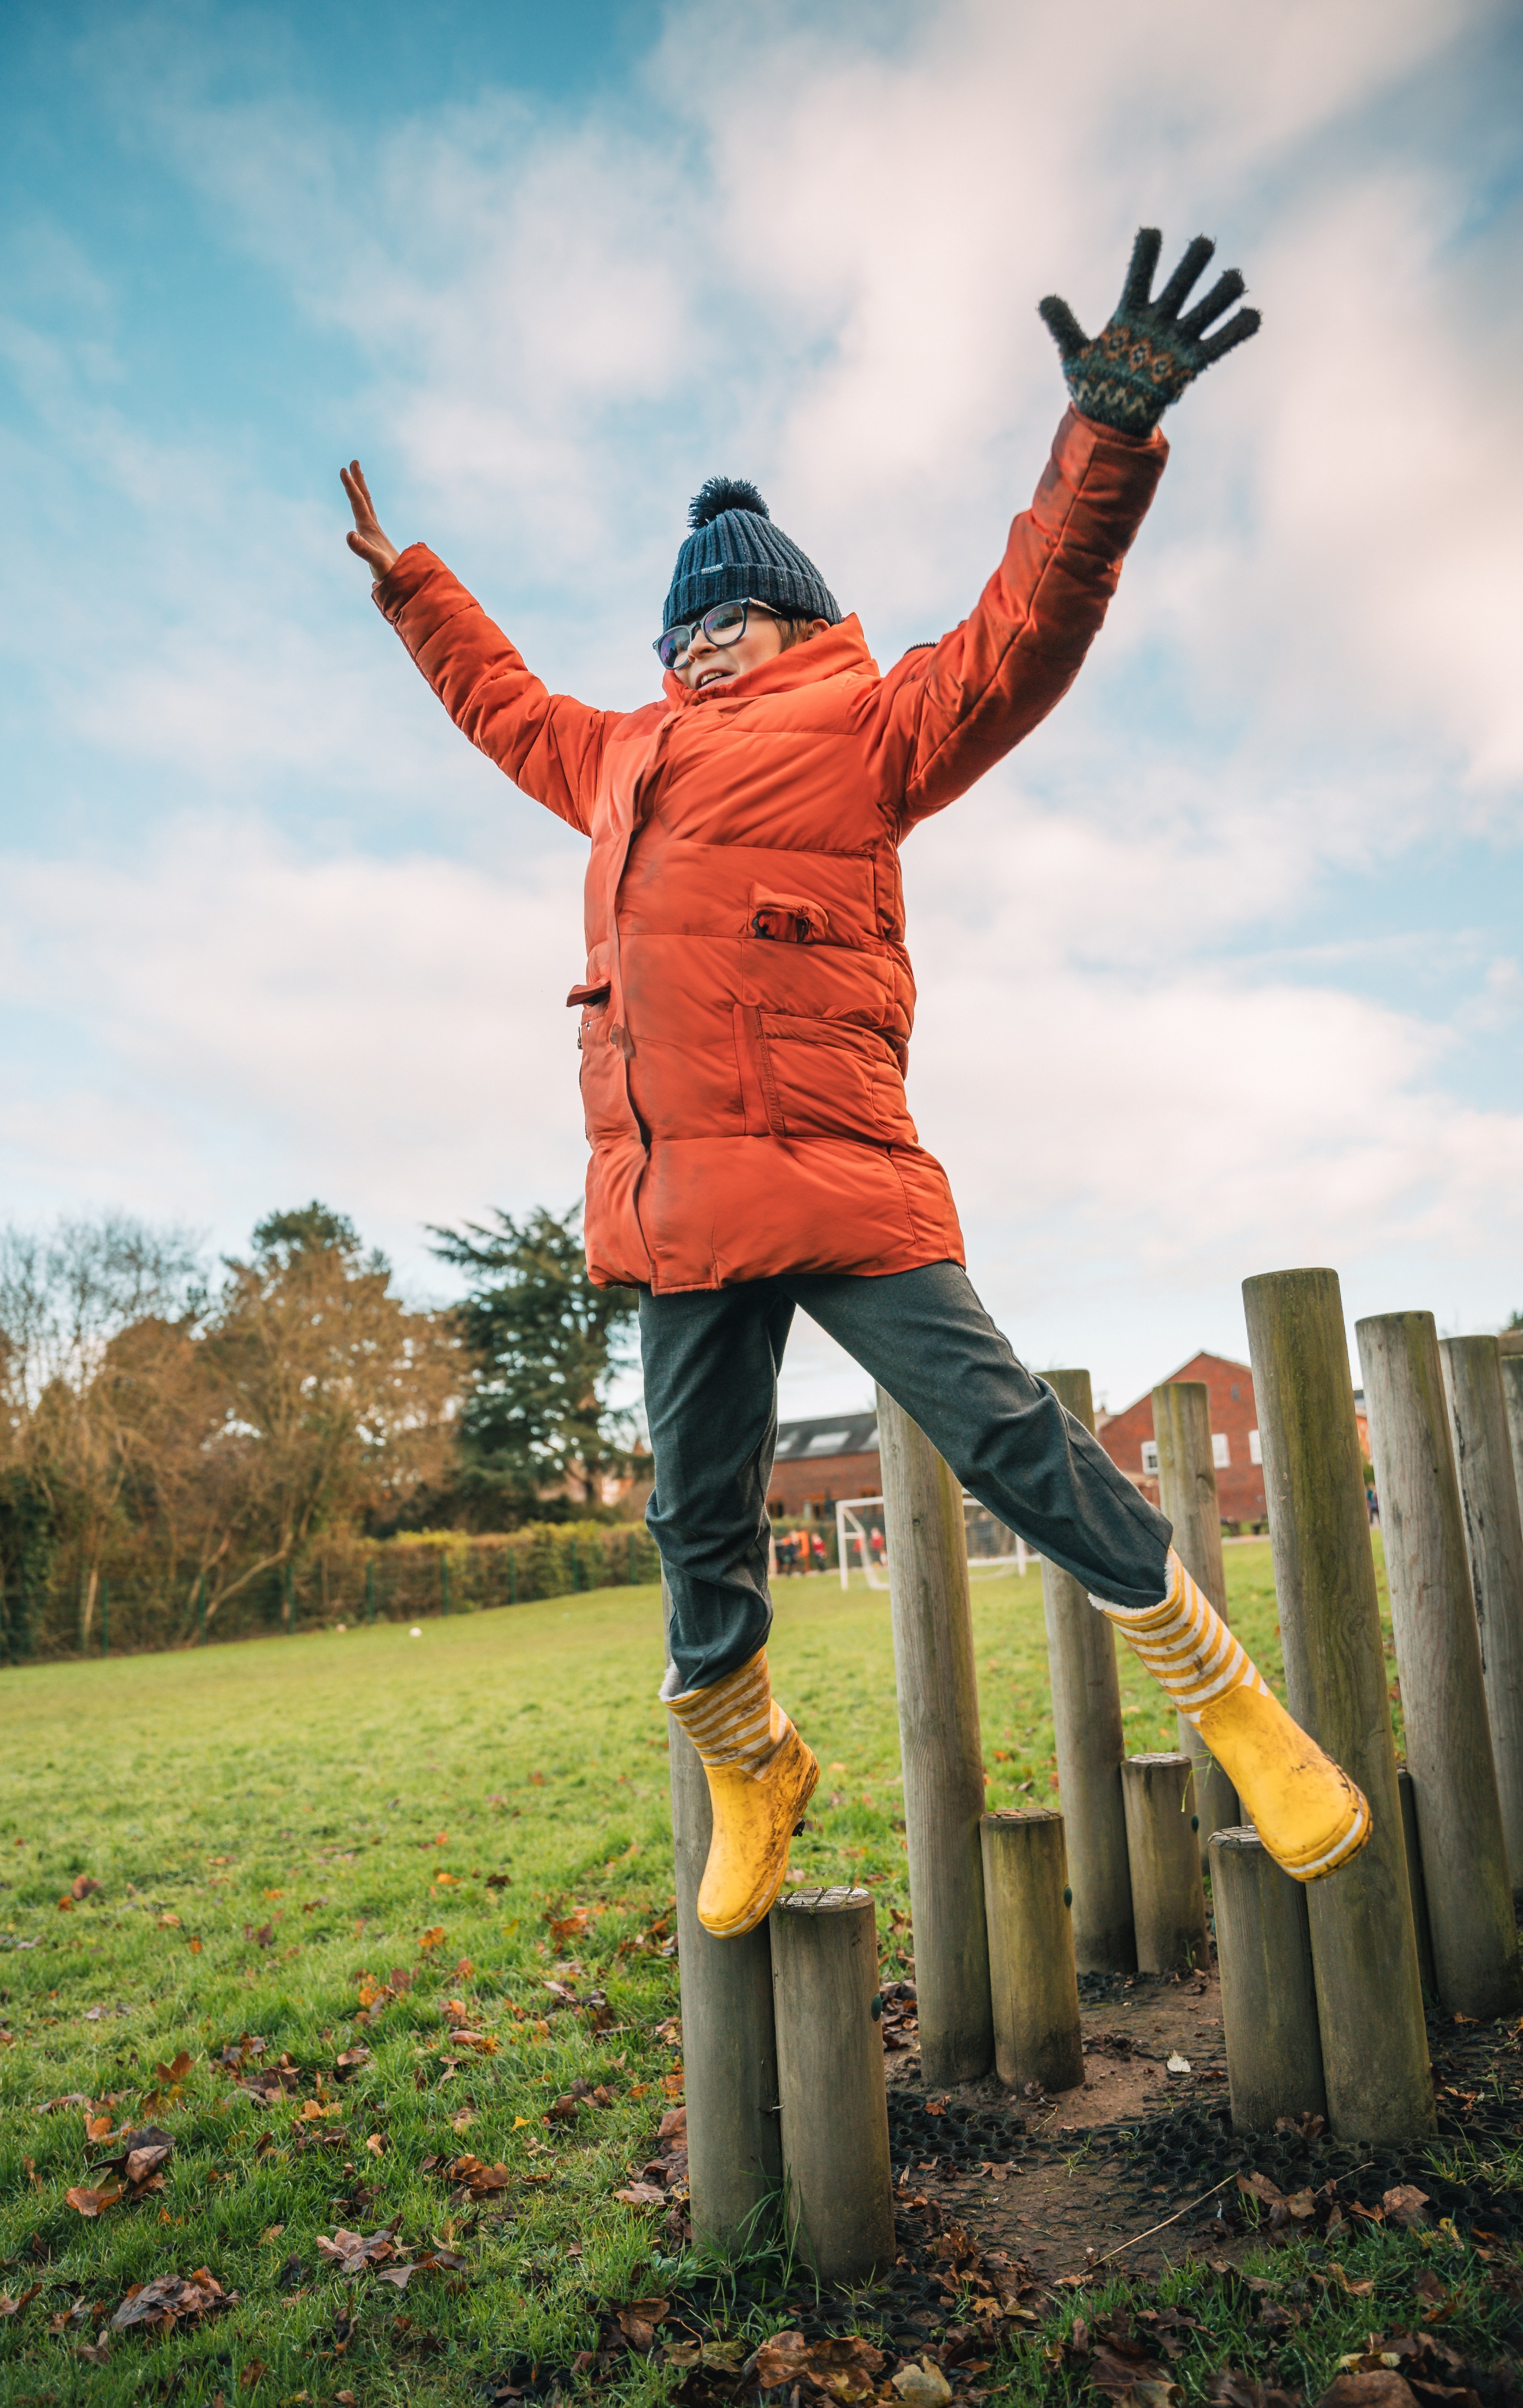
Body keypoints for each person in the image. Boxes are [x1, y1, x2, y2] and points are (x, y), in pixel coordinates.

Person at [342, 229, 1370, 1940]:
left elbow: (1028, 632)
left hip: (842, 1178)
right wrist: (413, 589)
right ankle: (753, 1763)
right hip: (676, 1209)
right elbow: (501, 703)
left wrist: (1102, 446)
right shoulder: (615, 759)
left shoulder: (872, 723)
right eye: (686, 632)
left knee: (1006, 1435)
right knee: (693, 1512)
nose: (706, 649)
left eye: (737, 620)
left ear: (801, 625)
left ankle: (1230, 1702)